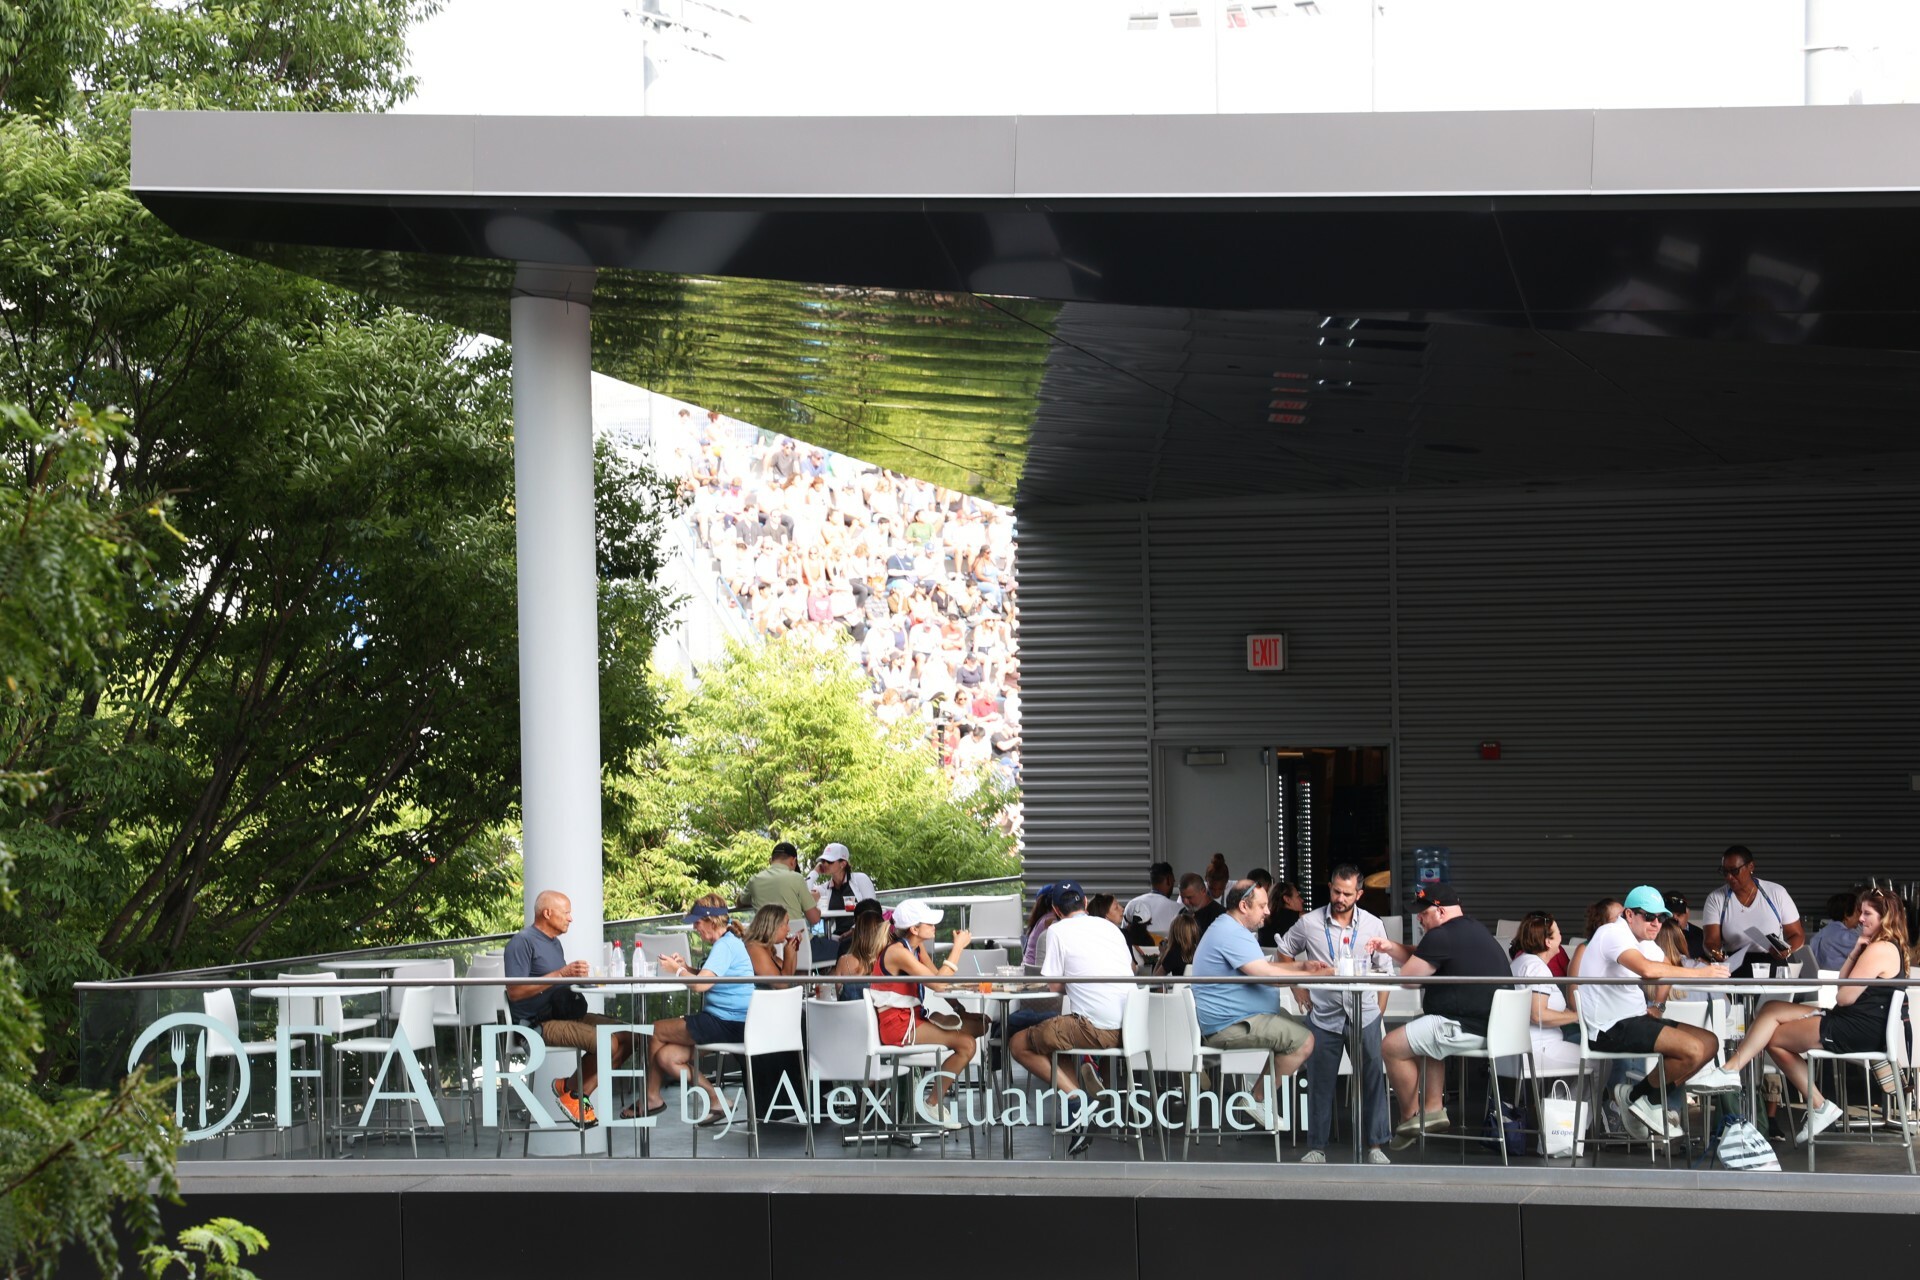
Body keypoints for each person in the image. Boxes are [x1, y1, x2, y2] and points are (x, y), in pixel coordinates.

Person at [1722, 887, 1909, 1144]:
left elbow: (1843, 997)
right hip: (1856, 1022)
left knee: (1772, 1037)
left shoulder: (1880, 949)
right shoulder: (1881, 946)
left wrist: (1857, 962)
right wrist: (1855, 951)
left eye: (1867, 914)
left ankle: (1818, 1105)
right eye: (1860, 912)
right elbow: (1843, 986)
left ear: (1884, 917)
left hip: (1855, 1028)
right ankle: (1732, 1070)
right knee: (1770, 1009)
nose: (1861, 919)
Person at [1572, 885, 1733, 1139]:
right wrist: (1701, 973)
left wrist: (1657, 1007)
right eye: (1649, 916)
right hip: (1609, 1027)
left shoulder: (1641, 941)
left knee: (1710, 1043)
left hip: (1636, 1020)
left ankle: (1638, 1097)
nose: (1656, 923)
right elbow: (1648, 970)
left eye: (1662, 917)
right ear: (1629, 915)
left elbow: (1664, 969)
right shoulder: (1611, 932)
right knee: (1692, 1049)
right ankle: (1642, 1100)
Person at [1367, 883, 1515, 1148]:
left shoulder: (1441, 936)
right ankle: (1433, 1107)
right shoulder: (1473, 930)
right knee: (1424, 1034)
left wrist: (1395, 959)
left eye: (1423, 913)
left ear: (1440, 911)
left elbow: (1409, 978)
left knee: (1390, 1046)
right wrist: (1390, 947)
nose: (1419, 918)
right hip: (1495, 1028)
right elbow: (1425, 957)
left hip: (1466, 1027)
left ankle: (1409, 1118)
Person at [1190, 880, 1329, 1128]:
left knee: (1308, 1030)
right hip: (1231, 1024)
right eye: (1262, 905)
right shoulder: (1231, 933)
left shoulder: (1230, 928)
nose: (1268, 911)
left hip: (1242, 1017)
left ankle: (1263, 1096)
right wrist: (1310, 976)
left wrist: (1301, 966)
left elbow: (1263, 968)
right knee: (1305, 1041)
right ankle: (1257, 1099)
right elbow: (1265, 975)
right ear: (1244, 906)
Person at [1009, 885, 1137, 1155]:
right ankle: (1078, 1116)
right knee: (1056, 1041)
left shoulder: (1056, 930)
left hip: (1096, 1028)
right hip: (1132, 1026)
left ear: (1055, 910)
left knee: (1018, 1043)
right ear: (1086, 902)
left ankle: (1079, 1100)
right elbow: (1129, 971)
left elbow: (1054, 987)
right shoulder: (1110, 928)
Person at [1278, 864, 1392, 1165]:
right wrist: (1296, 988)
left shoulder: (1372, 924)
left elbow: (1386, 969)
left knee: (1372, 1080)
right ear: (1329, 887)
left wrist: (1379, 1011)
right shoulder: (1309, 923)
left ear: (1360, 894)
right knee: (1320, 1082)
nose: (1340, 898)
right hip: (1324, 1015)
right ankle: (1316, 1147)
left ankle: (1376, 1146)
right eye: (1336, 891)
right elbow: (1285, 953)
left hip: (1364, 1014)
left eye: (1347, 893)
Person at [503, 889, 637, 1124]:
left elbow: (557, 982)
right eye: (566, 912)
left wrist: (580, 980)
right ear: (547, 913)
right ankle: (575, 1095)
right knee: (608, 1042)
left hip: (563, 1014)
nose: (570, 918)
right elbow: (514, 992)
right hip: (536, 1024)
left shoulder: (554, 944)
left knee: (633, 1035)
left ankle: (573, 1090)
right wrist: (562, 973)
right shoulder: (522, 942)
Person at [873, 899, 989, 1128]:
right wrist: (958, 948)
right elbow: (938, 984)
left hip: (912, 1018)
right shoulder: (898, 953)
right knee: (967, 1045)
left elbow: (938, 976)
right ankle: (932, 1103)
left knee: (980, 1024)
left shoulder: (915, 948)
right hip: (898, 1025)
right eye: (929, 923)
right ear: (915, 929)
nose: (934, 926)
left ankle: (937, 1082)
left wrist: (959, 1008)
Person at [642, 896, 756, 1121]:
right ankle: (717, 1100)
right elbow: (708, 978)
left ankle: (651, 1097)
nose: (695, 927)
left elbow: (700, 986)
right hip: (729, 1021)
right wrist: (686, 968)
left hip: (726, 1022)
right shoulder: (727, 942)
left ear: (711, 921)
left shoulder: (725, 946)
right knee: (667, 1057)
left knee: (654, 1029)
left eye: (697, 922)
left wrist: (676, 971)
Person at [1703, 844, 1804, 973]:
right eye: (1725, 872)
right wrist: (1715, 953)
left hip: (1773, 964)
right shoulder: (1716, 899)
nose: (1729, 877)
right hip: (1735, 967)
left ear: (1751, 867)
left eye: (1734, 871)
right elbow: (1710, 941)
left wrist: (1787, 950)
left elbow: (1797, 935)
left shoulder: (1776, 893)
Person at [1507, 912, 1581, 1076]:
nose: (1561, 935)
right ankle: (1570, 1101)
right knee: (1600, 1063)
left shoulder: (1520, 963)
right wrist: (1578, 1016)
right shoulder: (1537, 968)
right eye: (1558, 932)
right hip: (1540, 1048)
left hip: (1522, 1048)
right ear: (1548, 942)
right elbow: (1538, 1015)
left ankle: (1561, 1100)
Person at [742, 841, 823, 940]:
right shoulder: (796, 878)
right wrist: (812, 900)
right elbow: (814, 919)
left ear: (770, 860)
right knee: (840, 947)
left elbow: (740, 901)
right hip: (798, 943)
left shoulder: (754, 880)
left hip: (767, 946)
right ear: (793, 861)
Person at [1566, 898, 1623, 1011]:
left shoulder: (1631, 947)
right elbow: (1573, 999)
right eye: (1619, 917)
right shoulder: (1584, 949)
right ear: (1603, 924)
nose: (1625, 921)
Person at [811, 842, 877, 928]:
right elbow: (802, 894)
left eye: (830, 861)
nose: (825, 864)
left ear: (843, 864)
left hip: (861, 934)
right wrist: (814, 872)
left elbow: (873, 910)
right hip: (835, 937)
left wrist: (854, 930)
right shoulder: (825, 888)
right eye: (823, 861)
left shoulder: (861, 879)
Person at [832, 909, 888, 1001]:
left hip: (849, 1013)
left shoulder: (843, 961)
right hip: (877, 1014)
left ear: (857, 933)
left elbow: (839, 997)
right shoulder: (887, 960)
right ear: (882, 933)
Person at [744, 905, 801, 987]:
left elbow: (789, 975)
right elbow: (782, 984)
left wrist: (794, 948)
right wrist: (788, 956)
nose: (789, 929)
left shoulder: (768, 948)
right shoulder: (754, 948)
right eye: (786, 923)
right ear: (773, 925)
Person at [1810, 890, 1864, 971]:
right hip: (1840, 980)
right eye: (1858, 911)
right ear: (1847, 915)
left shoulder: (1823, 932)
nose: (1861, 915)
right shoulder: (1846, 936)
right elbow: (1870, 954)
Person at [1124, 862, 1180, 939]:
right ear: (1169, 880)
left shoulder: (1132, 904)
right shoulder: (1179, 910)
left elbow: (1124, 935)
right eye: (1173, 881)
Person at [1154, 908, 1201, 978]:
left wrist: (1162, 955)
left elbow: (1155, 979)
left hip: (1180, 989)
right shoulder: (1199, 951)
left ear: (1174, 932)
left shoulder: (1174, 953)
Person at [1259, 880, 1306, 949]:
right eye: (1298, 896)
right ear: (1287, 899)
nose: (1302, 900)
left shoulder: (1264, 920)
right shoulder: (1302, 918)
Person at [1664, 891, 1706, 962]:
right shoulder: (1654, 934)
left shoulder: (1701, 936)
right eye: (1669, 915)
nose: (1675, 919)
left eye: (1679, 915)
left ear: (1687, 914)